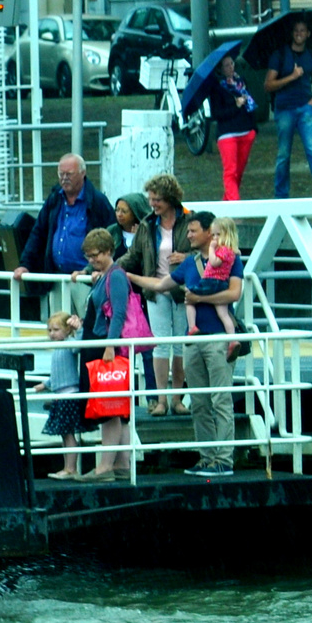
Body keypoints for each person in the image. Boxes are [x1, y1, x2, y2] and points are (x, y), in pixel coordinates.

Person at [134, 214, 243, 477]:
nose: (189, 235)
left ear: (209, 232)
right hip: (193, 340)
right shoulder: (191, 264)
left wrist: (197, 297)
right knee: (200, 402)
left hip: (217, 339)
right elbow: (161, 284)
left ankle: (224, 459)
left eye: (194, 231)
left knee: (220, 400)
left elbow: (234, 293)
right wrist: (127, 275)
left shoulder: (231, 258)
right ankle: (207, 458)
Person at [13, 153, 117, 320]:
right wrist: (25, 264)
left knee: (89, 326)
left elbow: (112, 236)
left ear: (83, 173)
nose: (64, 178)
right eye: (61, 174)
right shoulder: (54, 199)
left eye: (69, 174)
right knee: (59, 328)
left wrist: (100, 270)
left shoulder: (97, 201)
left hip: (86, 279)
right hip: (57, 277)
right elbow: (38, 232)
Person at [121, 174, 192, 417]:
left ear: (171, 199)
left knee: (180, 345)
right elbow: (133, 256)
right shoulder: (147, 225)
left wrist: (187, 258)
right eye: (151, 199)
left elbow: (206, 247)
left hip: (182, 289)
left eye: (158, 199)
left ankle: (177, 399)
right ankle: (161, 399)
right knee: (161, 345)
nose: (153, 204)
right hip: (155, 289)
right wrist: (106, 269)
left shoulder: (190, 219)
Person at [76, 227, 133, 483]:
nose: (92, 260)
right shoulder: (106, 275)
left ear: (109, 251)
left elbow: (119, 312)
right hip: (101, 342)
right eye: (88, 256)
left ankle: (105, 467)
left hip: (105, 345)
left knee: (109, 407)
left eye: (96, 254)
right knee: (117, 408)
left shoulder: (116, 276)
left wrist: (110, 345)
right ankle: (121, 464)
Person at [265, 18, 312, 199]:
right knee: (283, 155)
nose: (299, 34)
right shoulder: (280, 55)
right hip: (284, 110)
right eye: (296, 31)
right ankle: (281, 196)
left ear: (308, 34)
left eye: (303, 31)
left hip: (305, 110)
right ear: (292, 33)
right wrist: (292, 76)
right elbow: (268, 84)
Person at [33, 311, 91, 479]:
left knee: (68, 432)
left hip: (69, 394)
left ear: (67, 330)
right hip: (60, 395)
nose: (52, 334)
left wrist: (79, 330)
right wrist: (45, 385)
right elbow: (56, 374)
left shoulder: (69, 344)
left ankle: (71, 468)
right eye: (50, 330)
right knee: (64, 433)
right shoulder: (57, 349)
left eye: (56, 330)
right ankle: (67, 467)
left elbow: (78, 346)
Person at [209, 54, 258, 200]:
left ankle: (227, 204)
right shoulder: (217, 88)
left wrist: (253, 129)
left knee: (238, 173)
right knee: (230, 172)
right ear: (221, 69)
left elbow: (250, 105)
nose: (231, 67)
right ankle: (236, 208)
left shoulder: (241, 82)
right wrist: (236, 106)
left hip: (246, 131)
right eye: (227, 65)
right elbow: (217, 114)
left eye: (232, 64)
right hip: (227, 134)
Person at [186, 217, 241, 347]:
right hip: (222, 283)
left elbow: (214, 262)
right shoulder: (233, 252)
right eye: (214, 234)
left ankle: (192, 327)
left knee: (189, 297)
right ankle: (232, 340)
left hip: (212, 281)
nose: (214, 238)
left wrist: (211, 249)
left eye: (218, 234)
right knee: (223, 314)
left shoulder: (223, 250)